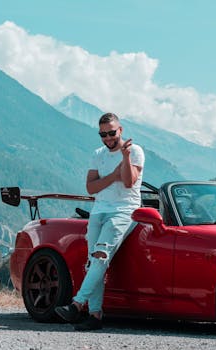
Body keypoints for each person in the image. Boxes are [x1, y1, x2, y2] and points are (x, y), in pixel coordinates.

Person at [55, 112, 145, 331]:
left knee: (101, 255)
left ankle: (77, 304)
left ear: (120, 130)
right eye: (103, 134)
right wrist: (111, 177)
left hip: (124, 211)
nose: (108, 138)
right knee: (93, 261)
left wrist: (125, 158)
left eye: (111, 133)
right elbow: (91, 188)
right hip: (98, 211)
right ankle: (95, 314)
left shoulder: (135, 151)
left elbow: (128, 182)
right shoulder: (98, 154)